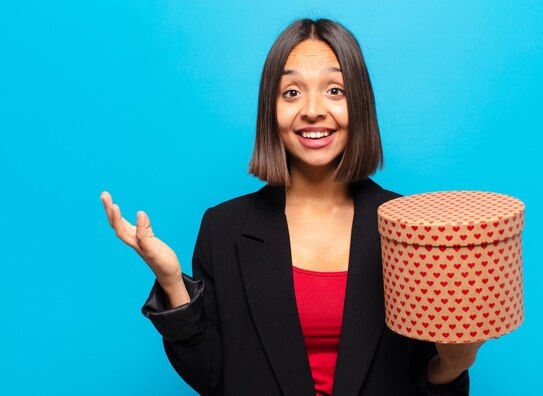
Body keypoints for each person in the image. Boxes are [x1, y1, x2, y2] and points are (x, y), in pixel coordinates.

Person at [101, 18, 483, 396]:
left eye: (335, 90)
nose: (313, 110)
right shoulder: (224, 228)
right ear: (271, 109)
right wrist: (172, 283)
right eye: (292, 92)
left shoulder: (410, 229)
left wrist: (454, 362)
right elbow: (214, 377)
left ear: (361, 105)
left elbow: (420, 377)